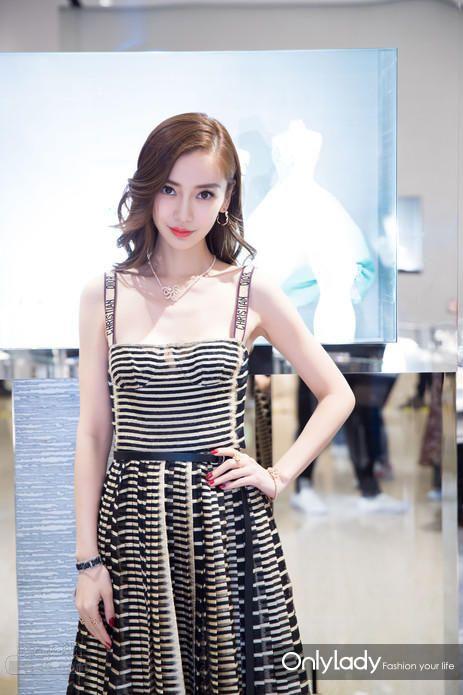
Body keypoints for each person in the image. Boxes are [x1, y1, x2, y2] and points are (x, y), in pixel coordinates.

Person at [66, 112, 355, 694]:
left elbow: (336, 393)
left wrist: (278, 474)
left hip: (228, 527)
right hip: (132, 529)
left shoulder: (250, 289)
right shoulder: (104, 293)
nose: (183, 211)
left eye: (204, 193)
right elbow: (95, 433)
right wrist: (87, 562)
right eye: (169, 189)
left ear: (226, 199)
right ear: (147, 188)